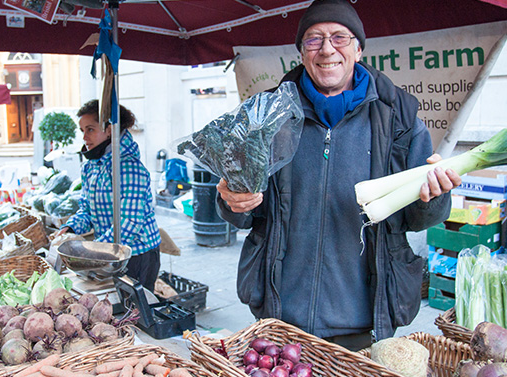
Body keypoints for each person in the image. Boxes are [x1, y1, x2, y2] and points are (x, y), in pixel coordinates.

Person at [216, 0, 462, 350]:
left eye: (339, 38)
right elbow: (239, 209)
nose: (327, 49)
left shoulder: (399, 119)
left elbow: (417, 218)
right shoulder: (265, 115)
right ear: (301, 52)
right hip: (280, 316)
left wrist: (435, 196)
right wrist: (231, 200)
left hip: (364, 319)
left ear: (359, 49)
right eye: (314, 39)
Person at [55, 100, 162, 292]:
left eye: (90, 129)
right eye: (82, 131)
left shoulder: (130, 169)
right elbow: (86, 210)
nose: (85, 138)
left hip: (138, 254)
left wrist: (93, 252)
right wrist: (70, 227)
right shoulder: (91, 167)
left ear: (110, 129)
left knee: (136, 313)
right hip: (109, 252)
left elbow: (129, 223)